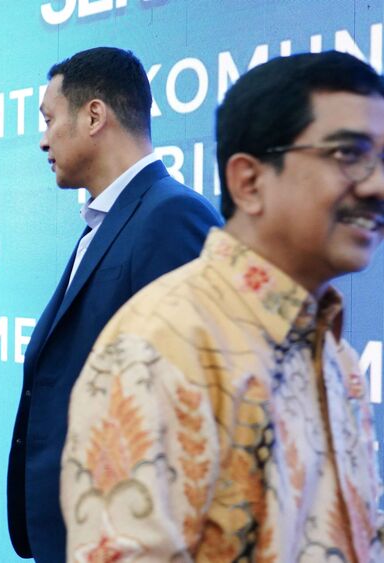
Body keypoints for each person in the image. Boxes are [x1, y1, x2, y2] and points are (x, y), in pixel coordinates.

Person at [61, 51, 384, 560]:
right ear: (249, 181)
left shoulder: (337, 357)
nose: (376, 185)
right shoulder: (160, 348)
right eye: (349, 154)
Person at [6, 47, 223, 562]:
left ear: (94, 116)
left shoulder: (172, 216)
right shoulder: (104, 222)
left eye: (48, 119)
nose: (42, 140)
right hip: (77, 530)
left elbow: (189, 412)